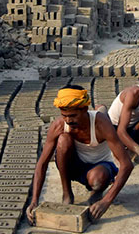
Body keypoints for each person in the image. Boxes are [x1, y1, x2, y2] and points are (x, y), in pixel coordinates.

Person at [26, 85, 133, 224]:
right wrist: (34, 201)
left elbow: (127, 164)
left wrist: (106, 201)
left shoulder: (101, 123)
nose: (68, 120)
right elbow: (42, 164)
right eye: (64, 116)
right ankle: (67, 192)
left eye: (72, 116)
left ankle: (98, 191)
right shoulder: (58, 125)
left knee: (97, 180)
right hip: (74, 166)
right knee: (63, 139)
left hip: (100, 166)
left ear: (84, 109)